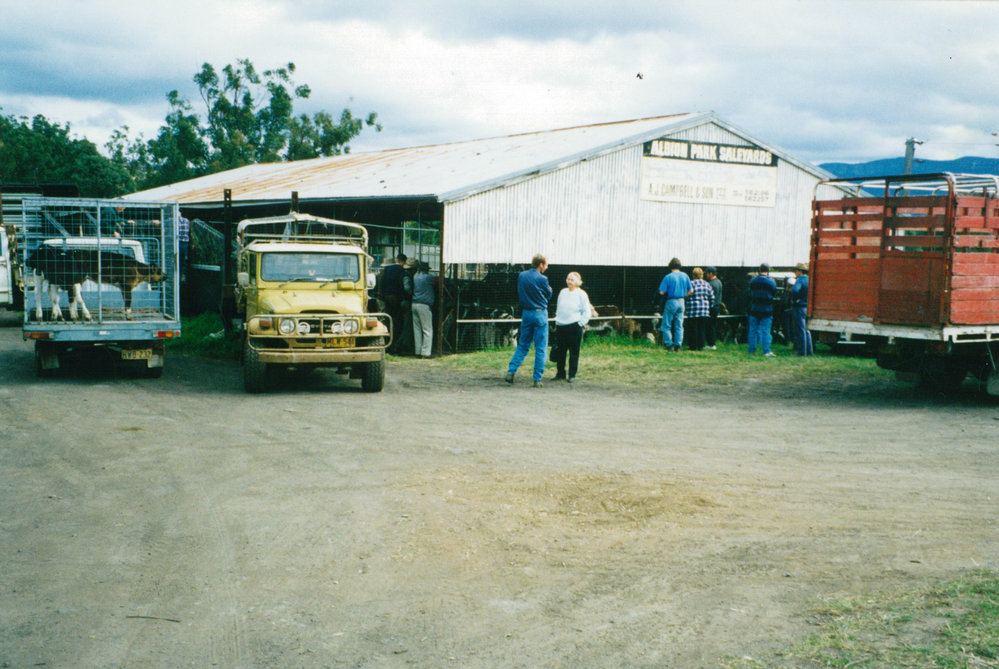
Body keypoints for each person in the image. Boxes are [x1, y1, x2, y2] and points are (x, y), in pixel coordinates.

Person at [505, 254, 552, 388]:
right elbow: (548, 295)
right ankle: (537, 379)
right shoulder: (543, 279)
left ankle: (511, 372)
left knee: (523, 345)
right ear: (541, 264)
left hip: (526, 313)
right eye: (546, 264)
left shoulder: (522, 276)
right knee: (541, 348)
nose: (547, 267)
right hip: (540, 313)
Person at [551, 271, 591, 382]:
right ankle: (560, 373)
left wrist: (580, 323)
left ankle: (572, 375)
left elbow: (586, 311)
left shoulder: (582, 294)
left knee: (574, 352)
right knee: (561, 352)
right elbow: (559, 308)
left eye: (572, 279)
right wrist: (557, 322)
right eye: (568, 279)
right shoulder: (562, 292)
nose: (569, 281)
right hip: (561, 326)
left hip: (574, 327)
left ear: (578, 282)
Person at [656, 257, 692, 351]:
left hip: (671, 301)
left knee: (666, 325)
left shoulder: (668, 277)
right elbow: (691, 290)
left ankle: (669, 344)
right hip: (681, 301)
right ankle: (678, 345)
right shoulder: (685, 276)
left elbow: (661, 292)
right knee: (679, 325)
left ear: (670, 266)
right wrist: (684, 295)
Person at [747, 263, 778, 357]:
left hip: (755, 308)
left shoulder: (753, 281)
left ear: (759, 270)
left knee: (753, 330)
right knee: (766, 331)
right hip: (767, 309)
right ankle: (766, 351)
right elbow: (774, 293)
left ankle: (751, 350)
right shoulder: (771, 282)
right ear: (768, 271)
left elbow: (751, 292)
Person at [380, 254, 408, 354]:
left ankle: (387, 345)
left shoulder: (387, 269)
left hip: (386, 298)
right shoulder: (402, 271)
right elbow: (406, 287)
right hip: (396, 298)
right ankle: (395, 347)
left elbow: (381, 283)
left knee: (387, 321)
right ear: (403, 262)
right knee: (397, 323)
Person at [411, 261, 437, 358]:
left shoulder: (415, 276)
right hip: (424, 305)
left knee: (417, 329)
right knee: (427, 330)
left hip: (414, 303)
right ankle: (426, 353)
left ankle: (418, 351)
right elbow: (438, 281)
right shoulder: (428, 277)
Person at [685, 267, 713, 351]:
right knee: (701, 329)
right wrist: (709, 306)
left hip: (692, 310)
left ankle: (692, 346)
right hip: (704, 310)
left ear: (693, 275)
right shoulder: (707, 284)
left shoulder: (690, 284)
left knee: (692, 329)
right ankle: (700, 346)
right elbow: (711, 297)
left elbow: (686, 295)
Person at [790, 262, 814, 356]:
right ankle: (809, 351)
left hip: (799, 307)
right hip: (808, 307)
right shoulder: (809, 280)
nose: (795, 273)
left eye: (796, 271)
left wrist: (796, 299)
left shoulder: (800, 280)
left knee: (800, 330)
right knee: (807, 330)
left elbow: (795, 290)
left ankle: (801, 352)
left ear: (799, 271)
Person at [704, 267, 723, 350]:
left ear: (711, 273)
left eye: (707, 273)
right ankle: (712, 343)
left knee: (710, 326)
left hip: (712, 306)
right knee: (713, 325)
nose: (706, 275)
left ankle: (711, 344)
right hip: (717, 306)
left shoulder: (712, 284)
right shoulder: (719, 282)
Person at [177, 214, 191, 282]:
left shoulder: (172, 220)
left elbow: (160, 223)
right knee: (182, 262)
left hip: (177, 243)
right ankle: (180, 277)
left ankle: (175, 279)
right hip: (185, 244)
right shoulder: (187, 220)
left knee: (174, 262)